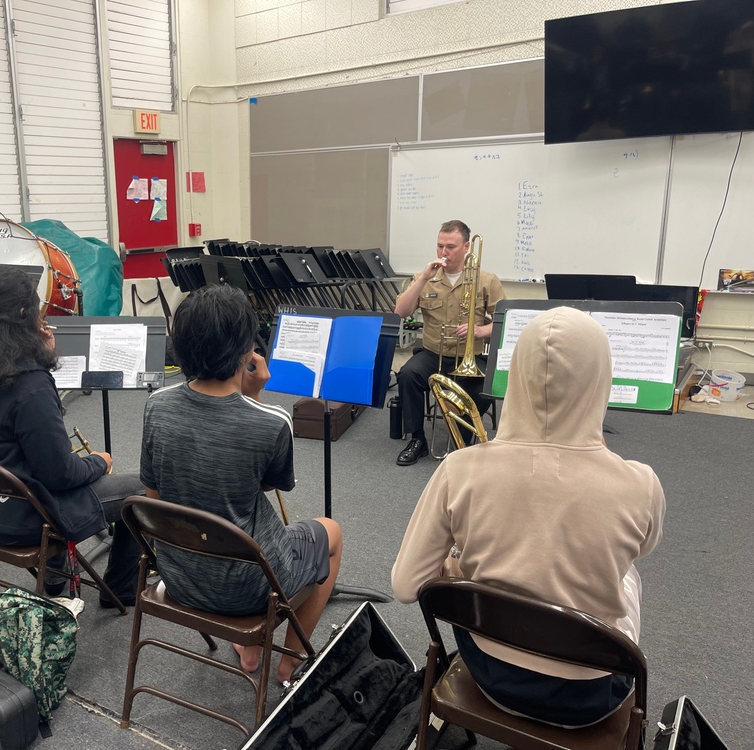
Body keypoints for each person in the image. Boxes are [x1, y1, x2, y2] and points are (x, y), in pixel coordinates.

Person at [391, 307, 665, 728]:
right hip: (591, 698)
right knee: (628, 575)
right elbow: (643, 548)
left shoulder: (458, 468)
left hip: (489, 672)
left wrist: (459, 566)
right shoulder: (642, 484)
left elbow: (407, 585)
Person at [140, 285, 342, 684]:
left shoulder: (156, 405)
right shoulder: (272, 421)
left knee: (228, 524)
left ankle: (250, 649)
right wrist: (255, 395)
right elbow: (270, 485)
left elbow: (153, 497)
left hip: (178, 575)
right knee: (331, 533)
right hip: (250, 586)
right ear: (246, 351)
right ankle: (288, 664)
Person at [0, 265, 143, 604]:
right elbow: (60, 475)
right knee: (141, 489)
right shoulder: (28, 382)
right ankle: (120, 589)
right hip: (24, 518)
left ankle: (55, 578)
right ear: (25, 314)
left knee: (26, 463)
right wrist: (98, 462)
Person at [392, 220, 506, 465]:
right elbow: (400, 311)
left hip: (471, 357)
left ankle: (464, 440)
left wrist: (479, 330)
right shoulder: (425, 278)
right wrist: (422, 278)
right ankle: (417, 439)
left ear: (466, 247)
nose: (444, 253)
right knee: (407, 375)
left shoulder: (487, 280)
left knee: (486, 388)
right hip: (434, 353)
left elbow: (502, 322)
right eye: (440, 246)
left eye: (451, 247)